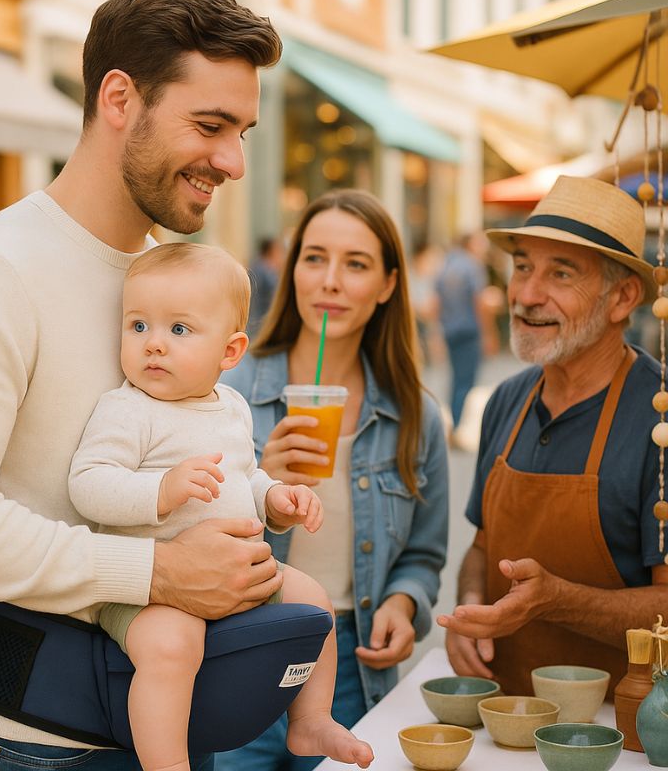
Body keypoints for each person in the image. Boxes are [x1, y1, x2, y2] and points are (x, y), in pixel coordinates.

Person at [0, 0, 285, 769]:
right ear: (119, 98)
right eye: (210, 125)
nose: (232, 161)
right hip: (28, 745)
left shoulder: (164, 280)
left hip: (163, 731)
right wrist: (160, 572)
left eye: (242, 131)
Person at [69, 242, 374, 771]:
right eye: (138, 326)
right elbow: (88, 485)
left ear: (230, 352)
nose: (154, 345)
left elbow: (245, 475)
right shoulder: (128, 409)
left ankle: (310, 720)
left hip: (238, 571)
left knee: (315, 605)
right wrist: (161, 490)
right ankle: (168, 765)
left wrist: (275, 495)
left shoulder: (230, 406)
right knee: (172, 647)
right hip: (149, 588)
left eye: (178, 330)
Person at [216, 189, 449, 771]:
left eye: (357, 264)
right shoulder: (225, 391)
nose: (331, 281)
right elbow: (171, 534)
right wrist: (259, 490)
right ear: (292, 270)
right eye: (314, 258)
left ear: (390, 284)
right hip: (236, 655)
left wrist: (403, 601)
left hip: (350, 665)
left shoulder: (415, 416)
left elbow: (423, 553)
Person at [437, 175, 668, 697]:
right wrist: (472, 606)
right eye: (522, 267)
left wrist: (557, 599)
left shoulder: (659, 418)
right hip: (505, 714)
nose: (526, 295)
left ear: (623, 297)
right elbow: (480, 548)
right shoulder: (507, 401)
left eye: (560, 274)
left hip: (621, 730)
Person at [434, 230, 498, 444]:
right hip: (469, 331)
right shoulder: (472, 266)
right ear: (470, 244)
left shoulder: (446, 266)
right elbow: (479, 302)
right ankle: (456, 427)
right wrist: (489, 333)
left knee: (456, 379)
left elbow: (436, 302)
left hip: (450, 330)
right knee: (465, 381)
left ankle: (453, 426)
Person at [247, 235, 286, 336]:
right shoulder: (265, 270)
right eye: (279, 251)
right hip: (260, 321)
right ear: (271, 251)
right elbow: (277, 292)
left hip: (253, 319)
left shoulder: (255, 265)